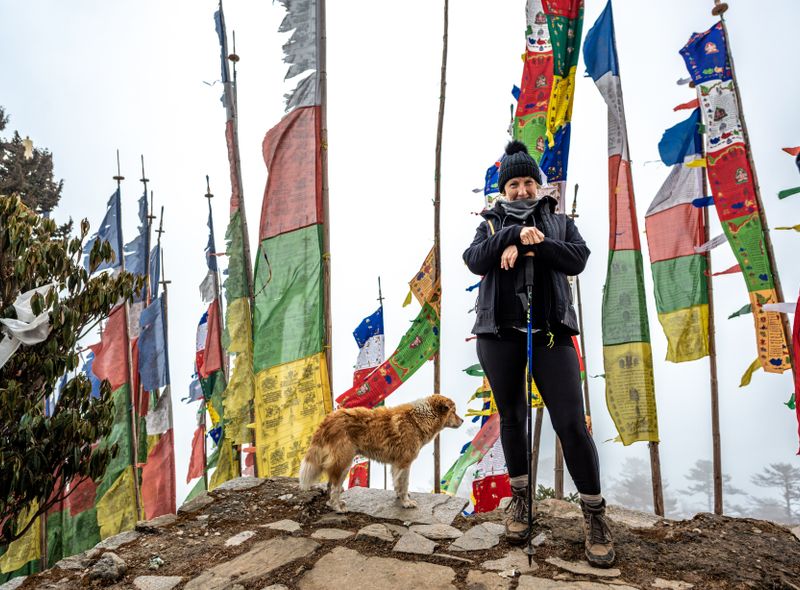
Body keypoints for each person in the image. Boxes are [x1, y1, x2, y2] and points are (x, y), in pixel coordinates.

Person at [462, 140, 615, 568]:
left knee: (570, 422)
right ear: (503, 188)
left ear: (539, 185)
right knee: (512, 416)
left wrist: (533, 244)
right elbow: (474, 260)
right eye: (514, 183)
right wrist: (510, 235)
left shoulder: (560, 221)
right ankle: (521, 501)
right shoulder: (491, 225)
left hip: (551, 334)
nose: (522, 189)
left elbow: (577, 259)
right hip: (499, 335)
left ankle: (594, 514)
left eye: (529, 181)